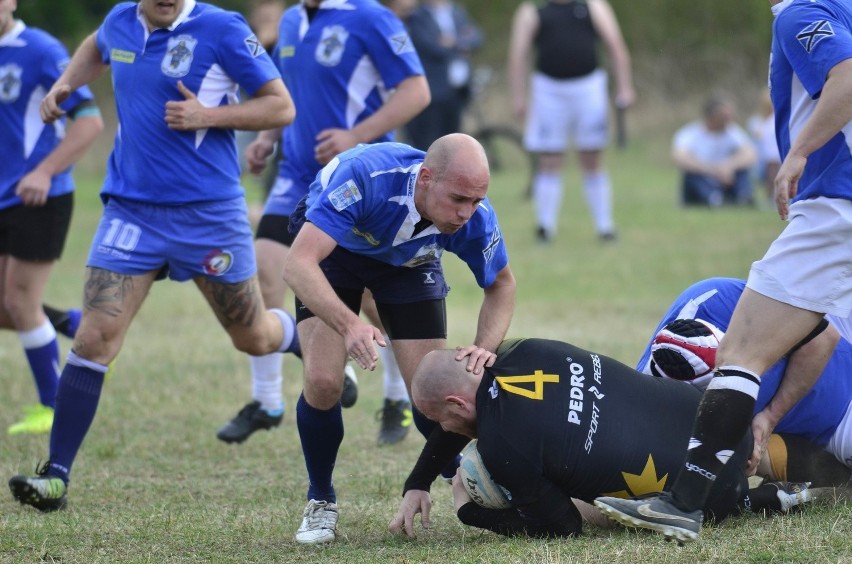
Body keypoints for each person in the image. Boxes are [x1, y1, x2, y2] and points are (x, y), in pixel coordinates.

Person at [8, 0, 299, 513]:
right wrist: (65, 85)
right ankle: (56, 475)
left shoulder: (222, 29)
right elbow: (94, 47)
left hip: (209, 214)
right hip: (131, 212)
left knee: (251, 336)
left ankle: (296, 335)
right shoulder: (121, 19)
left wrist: (209, 115)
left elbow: (281, 106)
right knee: (95, 338)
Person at [594, 0, 852, 543]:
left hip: (835, 207)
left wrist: (798, 153)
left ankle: (682, 505)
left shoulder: (802, 11)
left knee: (740, 355)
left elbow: (848, 78)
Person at [282, 133, 516, 544]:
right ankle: (321, 500)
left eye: (476, 200)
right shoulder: (366, 178)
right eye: (458, 199)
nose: (466, 212)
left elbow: (502, 285)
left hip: (408, 263)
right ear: (425, 178)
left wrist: (484, 346)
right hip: (333, 253)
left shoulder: (475, 217)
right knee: (322, 382)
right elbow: (298, 265)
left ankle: (462, 479)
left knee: (436, 396)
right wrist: (349, 325)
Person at [218, 0, 431, 447]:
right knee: (266, 266)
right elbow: (287, 93)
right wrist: (265, 141)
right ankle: (268, 399)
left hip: (357, 176)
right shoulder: (292, 20)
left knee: (372, 297)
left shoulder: (371, 17)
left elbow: (416, 91)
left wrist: (357, 135)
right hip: (296, 173)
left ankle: (396, 396)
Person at [409, 338, 814, 539]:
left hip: (703, 503)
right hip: (724, 431)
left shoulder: (504, 449)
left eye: (437, 420)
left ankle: (747, 499)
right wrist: (418, 482)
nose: (443, 432)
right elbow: (479, 405)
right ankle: (814, 468)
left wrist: (470, 510)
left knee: (579, 500)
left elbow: (561, 530)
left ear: (456, 404)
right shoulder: (526, 349)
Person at [0, 0, 103, 436]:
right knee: (7, 306)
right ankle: (77, 327)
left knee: (21, 302)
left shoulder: (39, 49)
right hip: (4, 195)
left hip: (37, 195)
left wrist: (44, 171)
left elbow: (90, 122)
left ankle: (52, 405)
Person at [636, 277, 852, 481]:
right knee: (744, 452)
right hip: (834, 423)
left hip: (839, 336)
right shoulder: (654, 405)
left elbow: (824, 337)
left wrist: (770, 417)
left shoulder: (716, 300)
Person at [507, 0, 634, 242]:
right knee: (549, 158)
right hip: (548, 91)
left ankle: (605, 227)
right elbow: (518, 55)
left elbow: (615, 46)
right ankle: (545, 227)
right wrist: (518, 96)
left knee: (592, 157)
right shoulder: (532, 11)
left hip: (588, 88)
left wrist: (625, 87)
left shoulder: (594, 6)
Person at [402, 0, 483, 151]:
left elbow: (477, 38)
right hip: (434, 90)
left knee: (453, 139)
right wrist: (461, 45)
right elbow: (429, 47)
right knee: (430, 141)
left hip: (458, 89)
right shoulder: (418, 17)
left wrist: (453, 42)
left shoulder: (457, 11)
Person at [672, 93, 758, 207]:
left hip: (726, 176)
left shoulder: (732, 131)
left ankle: (743, 197)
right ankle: (714, 199)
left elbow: (750, 154)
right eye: (724, 116)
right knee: (692, 175)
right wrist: (711, 170)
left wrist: (729, 166)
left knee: (742, 171)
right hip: (703, 175)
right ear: (712, 116)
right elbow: (680, 157)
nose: (729, 119)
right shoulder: (690, 133)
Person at [748, 88, 782, 206]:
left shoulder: (778, 120)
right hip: (760, 159)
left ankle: (773, 196)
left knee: (773, 164)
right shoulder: (756, 121)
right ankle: (768, 197)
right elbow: (758, 137)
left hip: (776, 158)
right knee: (771, 165)